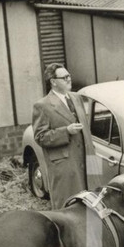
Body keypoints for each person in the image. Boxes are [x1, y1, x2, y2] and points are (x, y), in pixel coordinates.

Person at [32, 63, 94, 209]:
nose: (69, 79)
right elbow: (40, 137)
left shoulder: (76, 97)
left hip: (86, 160)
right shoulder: (42, 105)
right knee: (67, 206)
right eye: (64, 77)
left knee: (89, 201)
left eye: (69, 76)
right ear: (53, 82)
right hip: (64, 166)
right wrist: (66, 131)